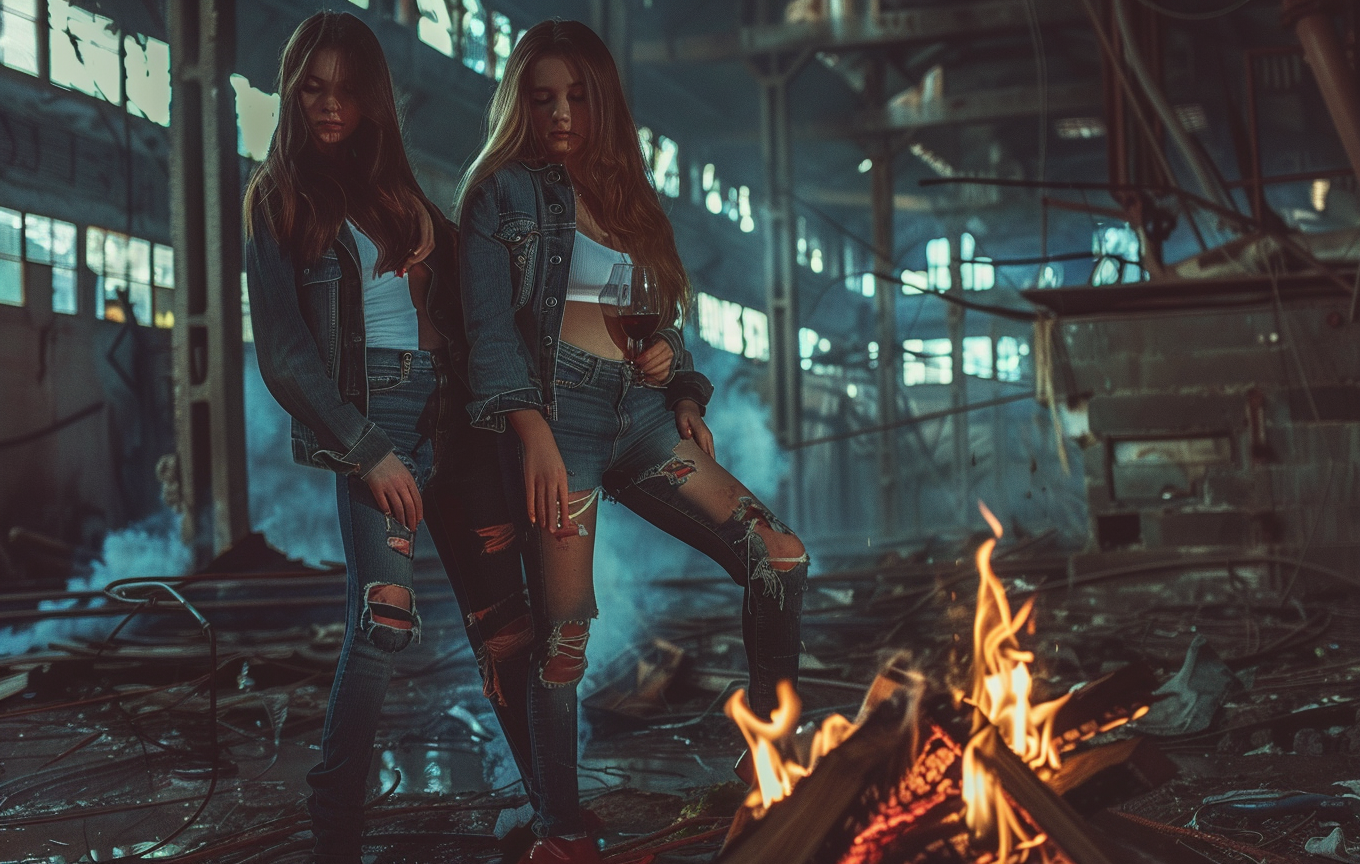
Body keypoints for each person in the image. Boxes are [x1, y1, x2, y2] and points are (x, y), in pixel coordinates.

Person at [454, 19, 810, 862]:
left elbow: (661, 323)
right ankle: (563, 830)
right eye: (542, 98)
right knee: (565, 633)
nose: (562, 113)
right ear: (520, 103)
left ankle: (775, 769)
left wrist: (677, 379)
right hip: (558, 419)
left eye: (577, 96)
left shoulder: (627, 196)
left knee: (778, 552)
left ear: (602, 101)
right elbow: (490, 334)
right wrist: (530, 428)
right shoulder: (498, 194)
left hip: (642, 415)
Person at [242, 12, 546, 862]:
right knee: (383, 620)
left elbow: (481, 316)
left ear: (374, 98)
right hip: (373, 422)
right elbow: (287, 357)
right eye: (312, 86)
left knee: (510, 630)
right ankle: (334, 833)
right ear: (291, 90)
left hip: (457, 423)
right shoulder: (275, 201)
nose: (328, 104)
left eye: (346, 88)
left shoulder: (404, 198)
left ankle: (552, 813)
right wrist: (366, 448)